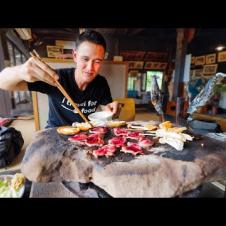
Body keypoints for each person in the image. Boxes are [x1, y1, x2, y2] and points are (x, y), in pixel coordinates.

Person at [0, 30, 118, 128]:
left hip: (84, 135)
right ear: (75, 56)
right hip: (54, 133)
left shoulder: (101, 82)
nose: (90, 68)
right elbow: (3, 83)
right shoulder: (55, 78)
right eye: (85, 59)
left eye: (97, 61)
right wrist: (20, 71)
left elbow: (105, 110)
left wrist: (111, 110)